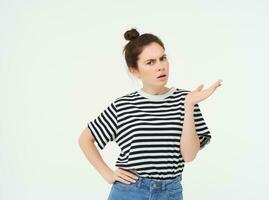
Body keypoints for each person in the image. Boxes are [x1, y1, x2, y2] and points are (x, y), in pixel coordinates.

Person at [78, 28, 223, 200]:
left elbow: (189, 156)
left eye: (163, 58)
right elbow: (85, 139)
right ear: (134, 70)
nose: (160, 66)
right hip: (129, 192)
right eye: (150, 62)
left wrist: (189, 105)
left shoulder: (187, 99)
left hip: (170, 193)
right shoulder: (123, 105)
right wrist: (108, 174)